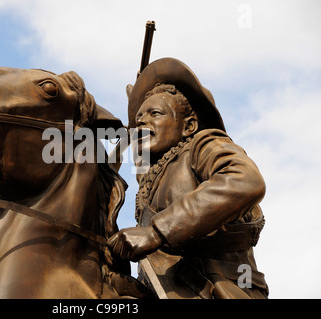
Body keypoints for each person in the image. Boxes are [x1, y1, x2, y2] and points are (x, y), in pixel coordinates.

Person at [108, 58, 269, 299]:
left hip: (214, 288)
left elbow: (245, 180)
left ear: (189, 125)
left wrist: (156, 232)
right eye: (139, 117)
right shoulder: (153, 175)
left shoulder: (202, 145)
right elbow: (143, 166)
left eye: (155, 113)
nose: (141, 121)